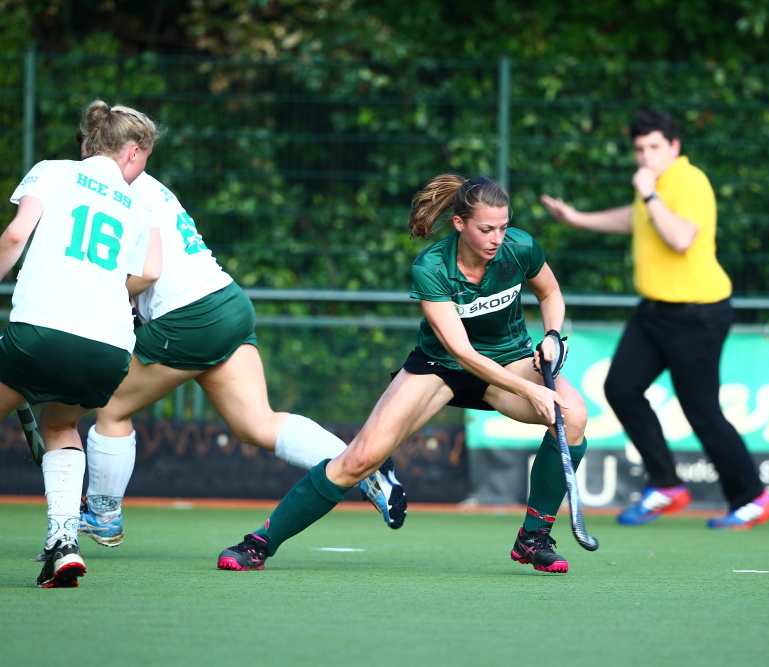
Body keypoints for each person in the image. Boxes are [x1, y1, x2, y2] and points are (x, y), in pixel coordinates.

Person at [216, 174, 589, 573]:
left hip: (508, 358)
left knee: (573, 415)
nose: (497, 238)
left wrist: (553, 336)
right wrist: (529, 390)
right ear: (460, 223)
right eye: (486, 229)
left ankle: (533, 538)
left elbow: (550, 293)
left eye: (503, 227)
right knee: (360, 458)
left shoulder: (520, 247)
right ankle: (260, 543)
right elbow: (461, 353)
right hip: (441, 367)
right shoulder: (432, 267)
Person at [72, 133, 408, 549]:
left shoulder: (114, 192)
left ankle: (103, 516)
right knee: (257, 423)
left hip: (189, 317)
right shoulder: (148, 183)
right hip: (227, 301)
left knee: (111, 406)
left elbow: (143, 273)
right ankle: (365, 466)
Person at [539, 110, 769, 530]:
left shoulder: (689, 181)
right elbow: (635, 220)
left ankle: (754, 497)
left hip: (698, 313)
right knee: (621, 388)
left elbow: (681, 238)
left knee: (702, 412)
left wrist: (649, 194)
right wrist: (578, 218)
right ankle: (666, 485)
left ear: (674, 147)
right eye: (639, 148)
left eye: (653, 147)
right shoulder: (651, 187)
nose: (645, 155)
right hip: (655, 311)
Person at [1, 100, 157, 587]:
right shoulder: (140, 205)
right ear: (133, 151)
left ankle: (63, 541)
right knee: (61, 424)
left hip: (42, 331)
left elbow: (15, 237)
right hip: (108, 348)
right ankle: (63, 543)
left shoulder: (52, 171)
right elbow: (143, 275)